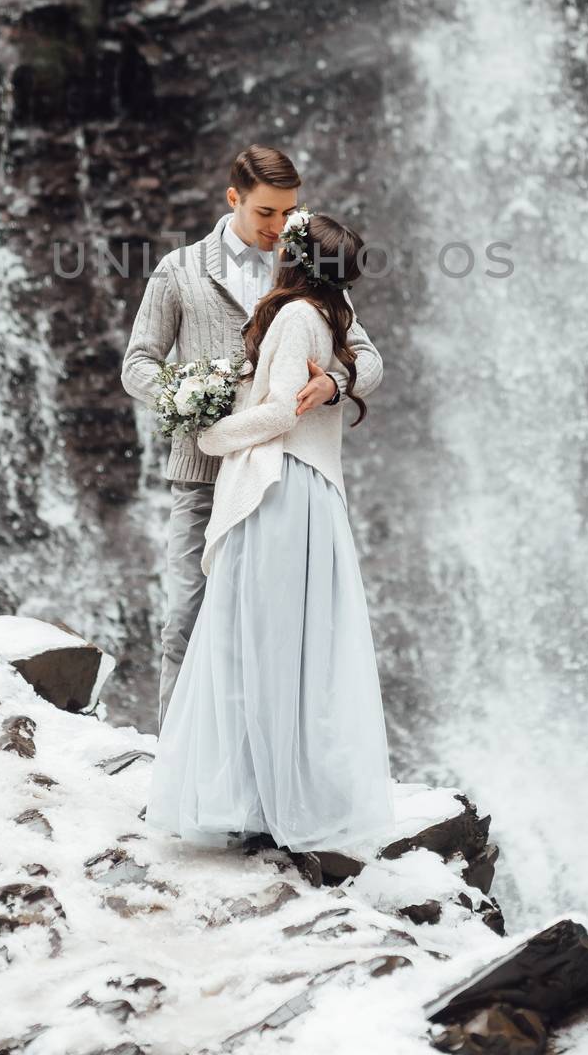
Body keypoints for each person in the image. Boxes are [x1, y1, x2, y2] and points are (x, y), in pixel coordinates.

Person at [143, 209, 396, 854]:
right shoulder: (329, 309)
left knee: (251, 643)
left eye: (286, 230)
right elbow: (142, 359)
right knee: (294, 648)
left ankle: (252, 801)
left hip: (275, 489)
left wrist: (212, 431)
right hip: (310, 492)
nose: (275, 233)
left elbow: (281, 410)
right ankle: (282, 792)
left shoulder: (292, 315)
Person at [121, 145, 383, 732]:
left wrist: (334, 385)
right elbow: (137, 363)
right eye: (267, 213)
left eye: (289, 212)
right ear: (233, 198)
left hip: (278, 475)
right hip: (202, 472)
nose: (278, 226)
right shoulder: (178, 269)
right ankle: (175, 775)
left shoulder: (307, 264)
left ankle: (256, 778)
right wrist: (188, 395)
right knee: (185, 619)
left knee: (272, 628)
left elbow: (368, 358)